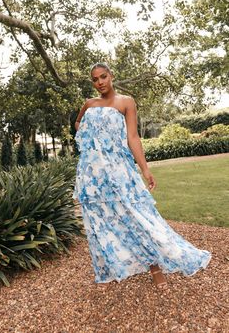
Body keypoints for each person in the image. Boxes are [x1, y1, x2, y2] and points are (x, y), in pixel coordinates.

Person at [73, 62, 211, 290]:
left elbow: (133, 137)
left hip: (120, 170)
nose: (100, 83)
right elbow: (78, 123)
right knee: (101, 219)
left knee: (138, 216)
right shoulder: (89, 104)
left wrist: (145, 169)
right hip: (93, 174)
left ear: (111, 76)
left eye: (103, 77)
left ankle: (155, 267)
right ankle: (108, 268)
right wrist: (90, 137)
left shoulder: (126, 102)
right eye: (95, 79)